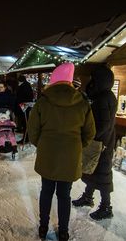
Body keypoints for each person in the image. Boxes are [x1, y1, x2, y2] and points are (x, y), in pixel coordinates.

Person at [27, 62, 95, 240]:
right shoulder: (82, 102)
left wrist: (41, 144)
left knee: (46, 191)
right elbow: (90, 132)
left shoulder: (43, 102)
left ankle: (43, 227)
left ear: (54, 80)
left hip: (48, 155)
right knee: (64, 195)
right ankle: (63, 231)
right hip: (70, 158)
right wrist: (77, 146)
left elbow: (32, 130)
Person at [72, 65, 117, 221]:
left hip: (102, 144)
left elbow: (104, 124)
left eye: (93, 78)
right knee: (92, 170)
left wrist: (90, 135)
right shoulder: (102, 96)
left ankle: (106, 207)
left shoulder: (104, 98)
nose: (91, 80)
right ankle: (88, 197)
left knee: (103, 175)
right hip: (99, 142)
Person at [15, 75, 34, 144]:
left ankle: (26, 138)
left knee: (25, 122)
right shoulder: (27, 85)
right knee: (25, 122)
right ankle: (26, 137)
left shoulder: (23, 86)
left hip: (24, 107)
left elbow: (21, 97)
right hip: (25, 106)